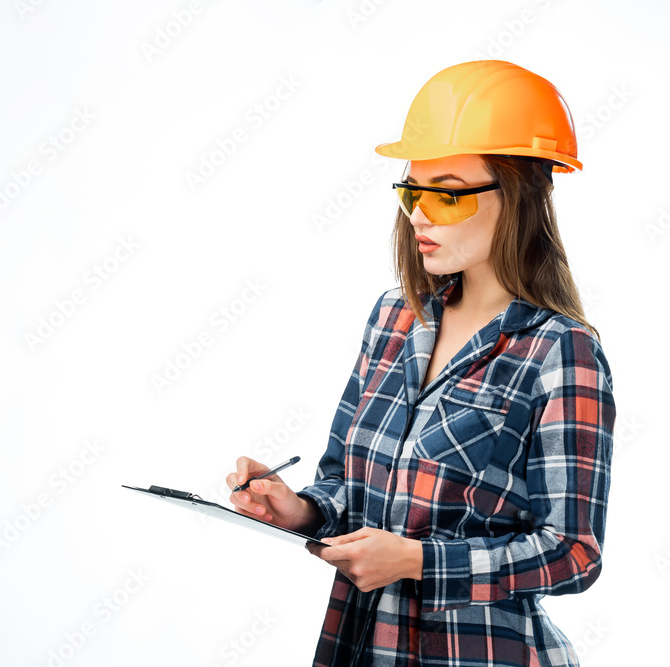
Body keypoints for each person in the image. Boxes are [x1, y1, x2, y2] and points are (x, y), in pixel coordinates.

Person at [226, 60, 616, 666]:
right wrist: (296, 508)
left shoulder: (560, 352)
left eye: (449, 194)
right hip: (360, 647)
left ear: (517, 199)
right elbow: (346, 489)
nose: (420, 214)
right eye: (413, 190)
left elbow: (573, 553)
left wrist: (417, 561)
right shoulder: (393, 318)